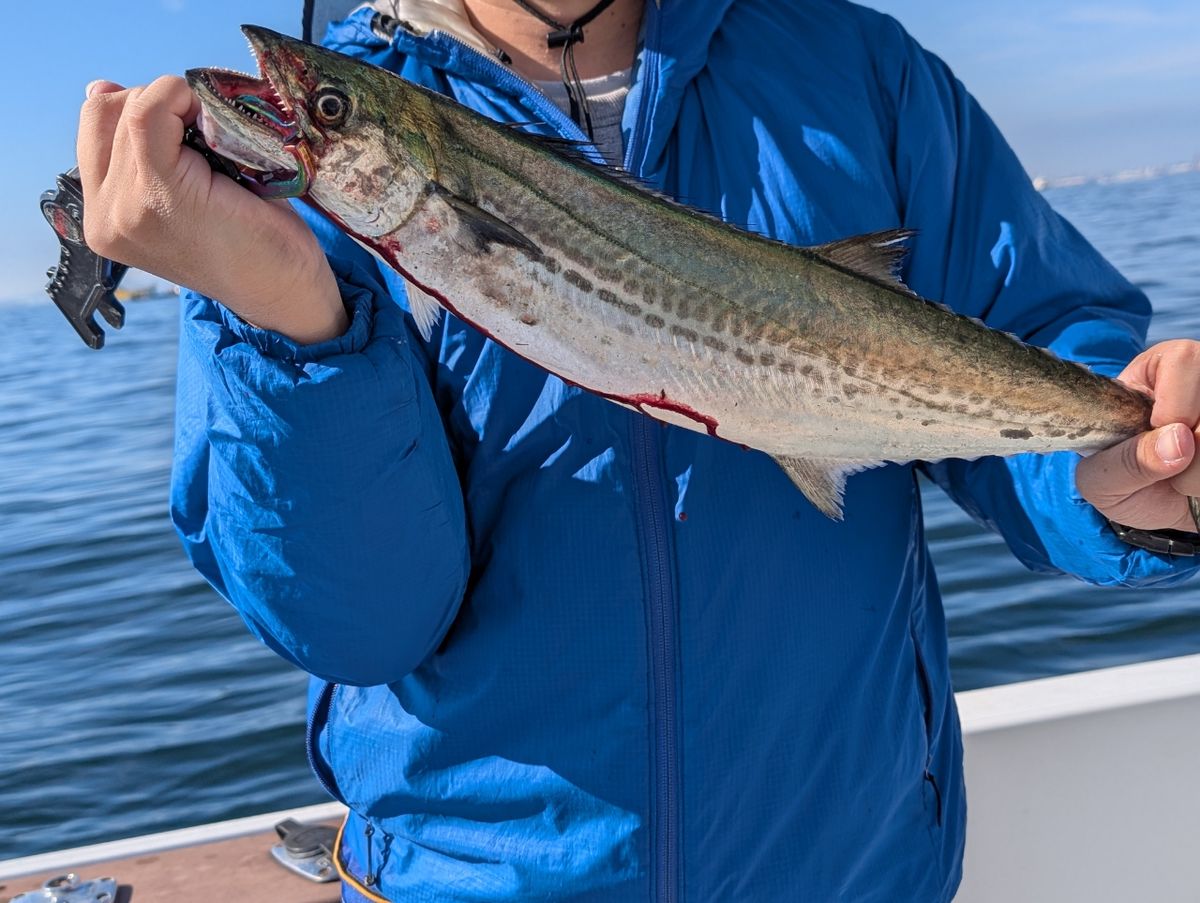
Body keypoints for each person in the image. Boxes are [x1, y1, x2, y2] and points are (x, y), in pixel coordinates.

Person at [76, 1, 1200, 899]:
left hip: (857, 870)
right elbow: (354, 623)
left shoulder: (858, 71)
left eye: (324, 111)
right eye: (319, 112)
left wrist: (1116, 480)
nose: (310, 118)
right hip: (483, 882)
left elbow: (1043, 339)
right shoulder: (281, 208)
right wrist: (286, 316)